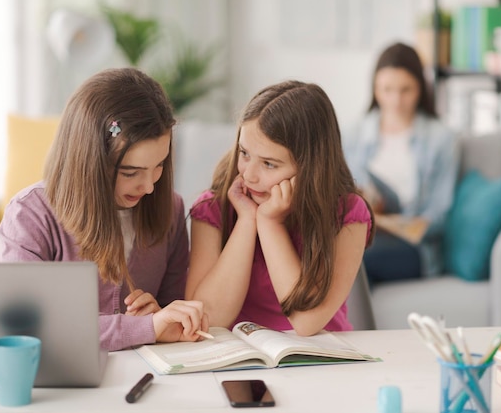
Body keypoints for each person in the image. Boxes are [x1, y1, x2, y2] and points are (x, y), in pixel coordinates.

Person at [0, 67, 209, 351]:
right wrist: (142, 328)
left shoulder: (170, 208)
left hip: (143, 379)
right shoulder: (30, 216)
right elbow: (27, 327)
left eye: (158, 166)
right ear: (88, 162)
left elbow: (172, 309)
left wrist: (162, 316)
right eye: (130, 172)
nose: (148, 187)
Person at [186, 80, 373, 335]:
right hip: (240, 355)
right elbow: (208, 316)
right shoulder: (213, 208)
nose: (249, 175)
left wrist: (270, 223)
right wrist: (247, 221)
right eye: (244, 153)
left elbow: (306, 322)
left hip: (324, 359)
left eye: (269, 164)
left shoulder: (348, 214)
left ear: (310, 169)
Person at [343, 42, 459, 284]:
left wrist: (399, 225)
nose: (395, 100)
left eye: (406, 90)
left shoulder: (442, 139)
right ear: (374, 88)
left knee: (354, 256)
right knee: (337, 249)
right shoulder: (354, 134)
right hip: (362, 233)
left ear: (421, 88)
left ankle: (343, 322)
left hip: (414, 247)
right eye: (387, 89)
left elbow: (439, 215)